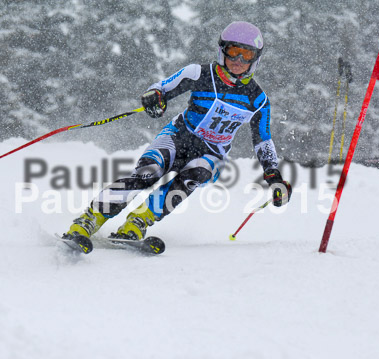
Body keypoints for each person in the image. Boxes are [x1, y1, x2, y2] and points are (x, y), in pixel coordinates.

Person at [63, 21, 291, 242]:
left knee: (195, 175)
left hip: (212, 153)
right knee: (148, 172)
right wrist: (154, 97)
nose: (239, 60)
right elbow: (161, 88)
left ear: (256, 59)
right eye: (234, 52)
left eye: (247, 55)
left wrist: (273, 175)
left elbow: (263, 140)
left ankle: (138, 222)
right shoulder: (199, 74)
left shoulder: (258, 99)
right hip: (177, 136)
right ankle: (89, 219)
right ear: (223, 51)